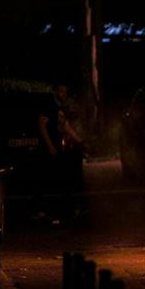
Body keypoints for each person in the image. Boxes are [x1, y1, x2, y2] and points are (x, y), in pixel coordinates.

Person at [38, 83, 85, 220]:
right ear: (55, 92)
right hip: (49, 147)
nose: (63, 94)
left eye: (65, 92)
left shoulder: (60, 108)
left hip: (58, 147)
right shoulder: (49, 106)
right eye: (61, 91)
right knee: (48, 178)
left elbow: (65, 126)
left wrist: (79, 140)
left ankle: (65, 209)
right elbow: (41, 125)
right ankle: (43, 209)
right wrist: (50, 145)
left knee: (63, 177)